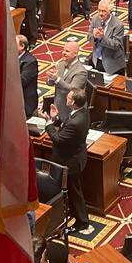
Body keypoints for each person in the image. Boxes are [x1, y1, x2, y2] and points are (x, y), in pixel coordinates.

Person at [46, 88, 90, 230]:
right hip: (76, 155)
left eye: (69, 98)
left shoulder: (76, 122)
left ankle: (82, 222)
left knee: (74, 191)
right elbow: (66, 126)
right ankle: (75, 214)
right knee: (74, 190)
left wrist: (48, 124)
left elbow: (58, 139)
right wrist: (56, 119)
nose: (66, 98)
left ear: (74, 102)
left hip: (71, 162)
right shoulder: (81, 112)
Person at [45, 40, 88, 120]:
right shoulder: (60, 64)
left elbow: (72, 89)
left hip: (70, 109)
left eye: (67, 51)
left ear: (75, 54)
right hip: (57, 105)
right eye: (63, 50)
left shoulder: (81, 71)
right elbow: (50, 84)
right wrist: (50, 78)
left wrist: (57, 78)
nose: (63, 53)